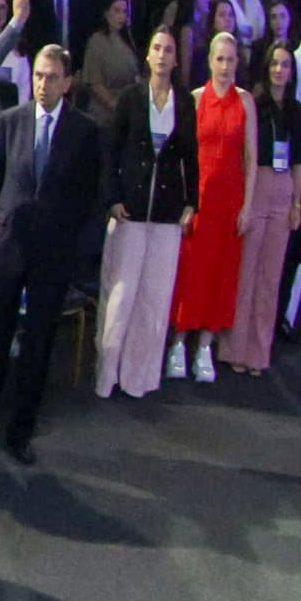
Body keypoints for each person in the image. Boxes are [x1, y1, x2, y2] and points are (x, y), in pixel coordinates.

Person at [0, 46, 105, 463]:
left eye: (51, 77)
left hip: (52, 254)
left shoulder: (85, 131)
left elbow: (90, 197)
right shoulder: (11, 121)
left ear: (67, 83)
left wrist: (69, 243)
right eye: (38, 76)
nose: (43, 84)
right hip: (7, 246)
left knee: (38, 345)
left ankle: (19, 433)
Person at [94, 26, 200, 401]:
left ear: (175, 59)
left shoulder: (185, 103)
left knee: (154, 298)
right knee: (121, 296)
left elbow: (192, 156)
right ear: (148, 55)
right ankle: (107, 375)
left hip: (168, 214)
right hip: (131, 211)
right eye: (157, 48)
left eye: (169, 50)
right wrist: (112, 198)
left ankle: (138, 378)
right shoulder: (130, 99)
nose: (162, 55)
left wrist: (192, 202)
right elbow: (111, 151)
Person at [166, 31, 259, 384]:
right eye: (219, 59)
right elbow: (181, 157)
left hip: (230, 203)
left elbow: (251, 159)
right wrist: (185, 203)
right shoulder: (194, 99)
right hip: (200, 202)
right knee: (191, 274)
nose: (225, 65)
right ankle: (178, 343)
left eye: (230, 59)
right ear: (209, 61)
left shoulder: (246, 102)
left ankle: (205, 346)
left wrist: (248, 206)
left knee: (222, 275)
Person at [223, 41, 301, 377]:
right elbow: (245, 155)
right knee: (246, 273)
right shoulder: (254, 105)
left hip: (283, 188)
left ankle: (258, 354)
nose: (279, 70)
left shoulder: (297, 112)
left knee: (270, 278)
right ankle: (234, 348)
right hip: (257, 185)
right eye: (274, 63)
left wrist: (297, 202)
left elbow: (299, 161)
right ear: (266, 67)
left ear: (291, 72)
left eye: (285, 65)